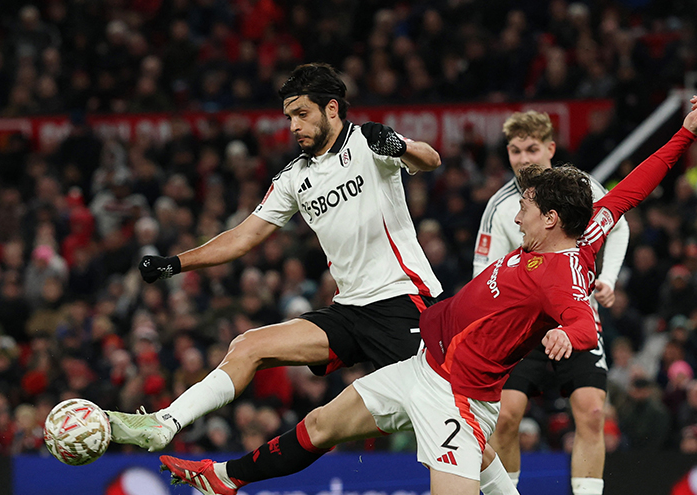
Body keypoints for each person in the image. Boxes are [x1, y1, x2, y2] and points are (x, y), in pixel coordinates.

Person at [155, 96, 697, 495]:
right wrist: (685, 133)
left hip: (461, 397)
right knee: (322, 423)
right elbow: (634, 187)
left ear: (547, 219)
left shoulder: (561, 276)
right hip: (423, 365)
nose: (514, 213)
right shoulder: (583, 229)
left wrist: (570, 335)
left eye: (524, 206)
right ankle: (227, 478)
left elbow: (583, 317)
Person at [106, 63, 444, 450]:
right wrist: (176, 264)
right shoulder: (294, 178)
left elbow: (430, 159)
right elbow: (243, 236)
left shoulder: (368, 141)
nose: (293, 126)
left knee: (446, 418)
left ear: (331, 109)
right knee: (248, 345)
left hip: (403, 301)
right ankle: (165, 422)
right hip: (349, 310)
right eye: (289, 117)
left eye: (302, 114)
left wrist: (402, 147)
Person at [473, 110, 629, 495]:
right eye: (516, 150)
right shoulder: (500, 206)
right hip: (522, 331)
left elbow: (619, 225)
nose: (524, 159)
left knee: (592, 413)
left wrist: (608, 279)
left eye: (532, 149)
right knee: (505, 418)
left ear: (550, 149)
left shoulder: (580, 188)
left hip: (574, 319)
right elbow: (482, 271)